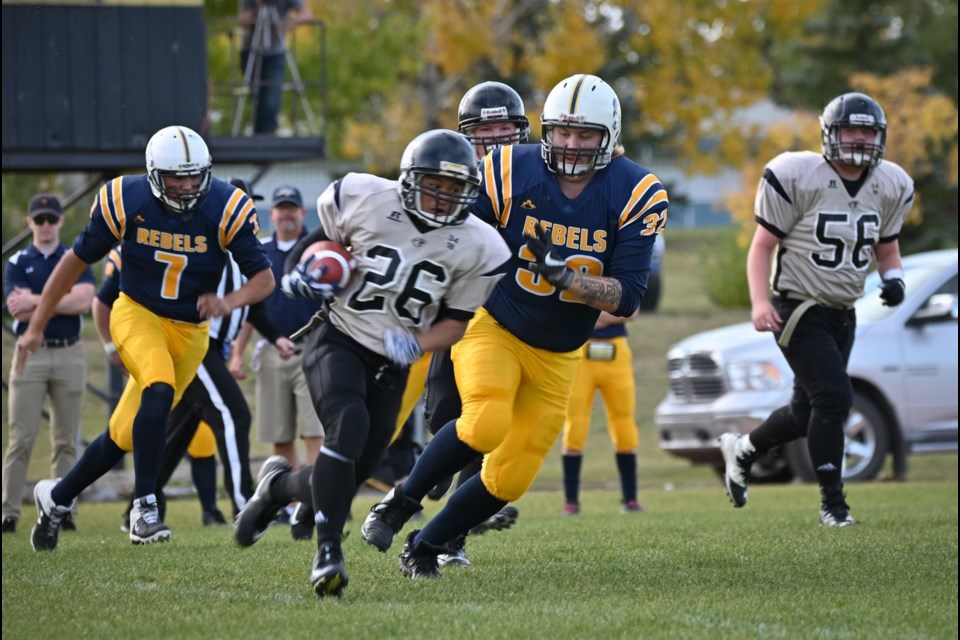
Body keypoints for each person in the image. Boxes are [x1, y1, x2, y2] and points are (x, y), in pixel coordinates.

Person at [360, 73, 668, 580]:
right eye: (562, 132)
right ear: (545, 129)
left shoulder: (636, 191)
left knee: (512, 476)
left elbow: (629, 296)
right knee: (485, 422)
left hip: (560, 352)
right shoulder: (507, 169)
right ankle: (398, 502)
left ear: (609, 136)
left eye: (585, 135)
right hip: (494, 323)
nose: (571, 145)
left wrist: (566, 277)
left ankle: (427, 545)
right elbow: (454, 236)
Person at [232, 128, 511, 598]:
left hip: (391, 361)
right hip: (337, 335)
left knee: (352, 468)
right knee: (349, 426)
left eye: (454, 189)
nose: (443, 198)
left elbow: (457, 323)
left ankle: (276, 491)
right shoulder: (364, 197)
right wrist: (301, 274)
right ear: (408, 179)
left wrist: (419, 342)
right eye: (433, 184)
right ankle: (327, 554)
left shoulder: (478, 244)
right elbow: (316, 245)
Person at [18, 125, 274, 551]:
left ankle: (56, 498)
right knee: (158, 387)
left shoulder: (225, 206)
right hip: (137, 313)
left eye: (195, 175)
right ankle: (145, 508)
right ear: (155, 173)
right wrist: (37, 325)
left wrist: (228, 303)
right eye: (178, 176)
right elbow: (74, 261)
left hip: (191, 332)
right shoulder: (126, 199)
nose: (188, 185)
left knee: (122, 434)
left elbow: (264, 279)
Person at [718, 92, 913, 527]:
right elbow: (762, 246)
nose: (860, 139)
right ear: (831, 134)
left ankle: (742, 449)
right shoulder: (798, 174)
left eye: (868, 131)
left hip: (843, 311)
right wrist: (759, 301)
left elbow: (887, 250)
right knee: (835, 397)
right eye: (851, 129)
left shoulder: (890, 183)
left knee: (806, 413)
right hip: (799, 306)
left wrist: (894, 280)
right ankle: (833, 505)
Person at [417, 80, 532, 566]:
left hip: (514, 316)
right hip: (463, 309)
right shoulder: (453, 174)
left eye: (504, 127)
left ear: (520, 131)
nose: (494, 137)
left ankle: (450, 540)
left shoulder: (535, 176)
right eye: (483, 129)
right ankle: (433, 469)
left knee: (489, 423)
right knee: (446, 412)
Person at [230, 184, 325, 538]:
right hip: (272, 351)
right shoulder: (261, 252)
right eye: (281, 208)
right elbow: (253, 312)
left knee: (315, 430)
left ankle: (318, 502)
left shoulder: (316, 249)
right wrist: (239, 352)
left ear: (303, 213)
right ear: (272, 214)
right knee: (280, 432)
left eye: (292, 208)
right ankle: (287, 505)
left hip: (313, 348)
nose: (286, 213)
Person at [2, 194, 96, 535]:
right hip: (31, 354)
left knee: (66, 438)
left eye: (50, 220)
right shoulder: (17, 261)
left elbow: (84, 301)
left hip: (69, 352)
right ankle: (9, 513)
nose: (44, 226)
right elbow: (17, 308)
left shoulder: (75, 258)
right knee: (21, 437)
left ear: (59, 222)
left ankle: (62, 510)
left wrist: (37, 299)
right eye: (38, 220)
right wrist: (60, 300)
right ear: (30, 223)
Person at [561, 310, 645, 516]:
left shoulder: (619, 276)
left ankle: (631, 499)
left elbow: (632, 312)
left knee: (624, 424)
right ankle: (571, 501)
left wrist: (591, 316)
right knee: (575, 425)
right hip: (581, 351)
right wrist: (609, 315)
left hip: (616, 350)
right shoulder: (575, 276)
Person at [238, 0, 312, 134]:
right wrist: (257, 7)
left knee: (271, 98)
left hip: (275, 51)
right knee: (257, 97)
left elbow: (306, 14)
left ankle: (268, 136)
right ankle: (258, 136)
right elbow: (243, 21)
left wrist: (290, 24)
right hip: (251, 50)